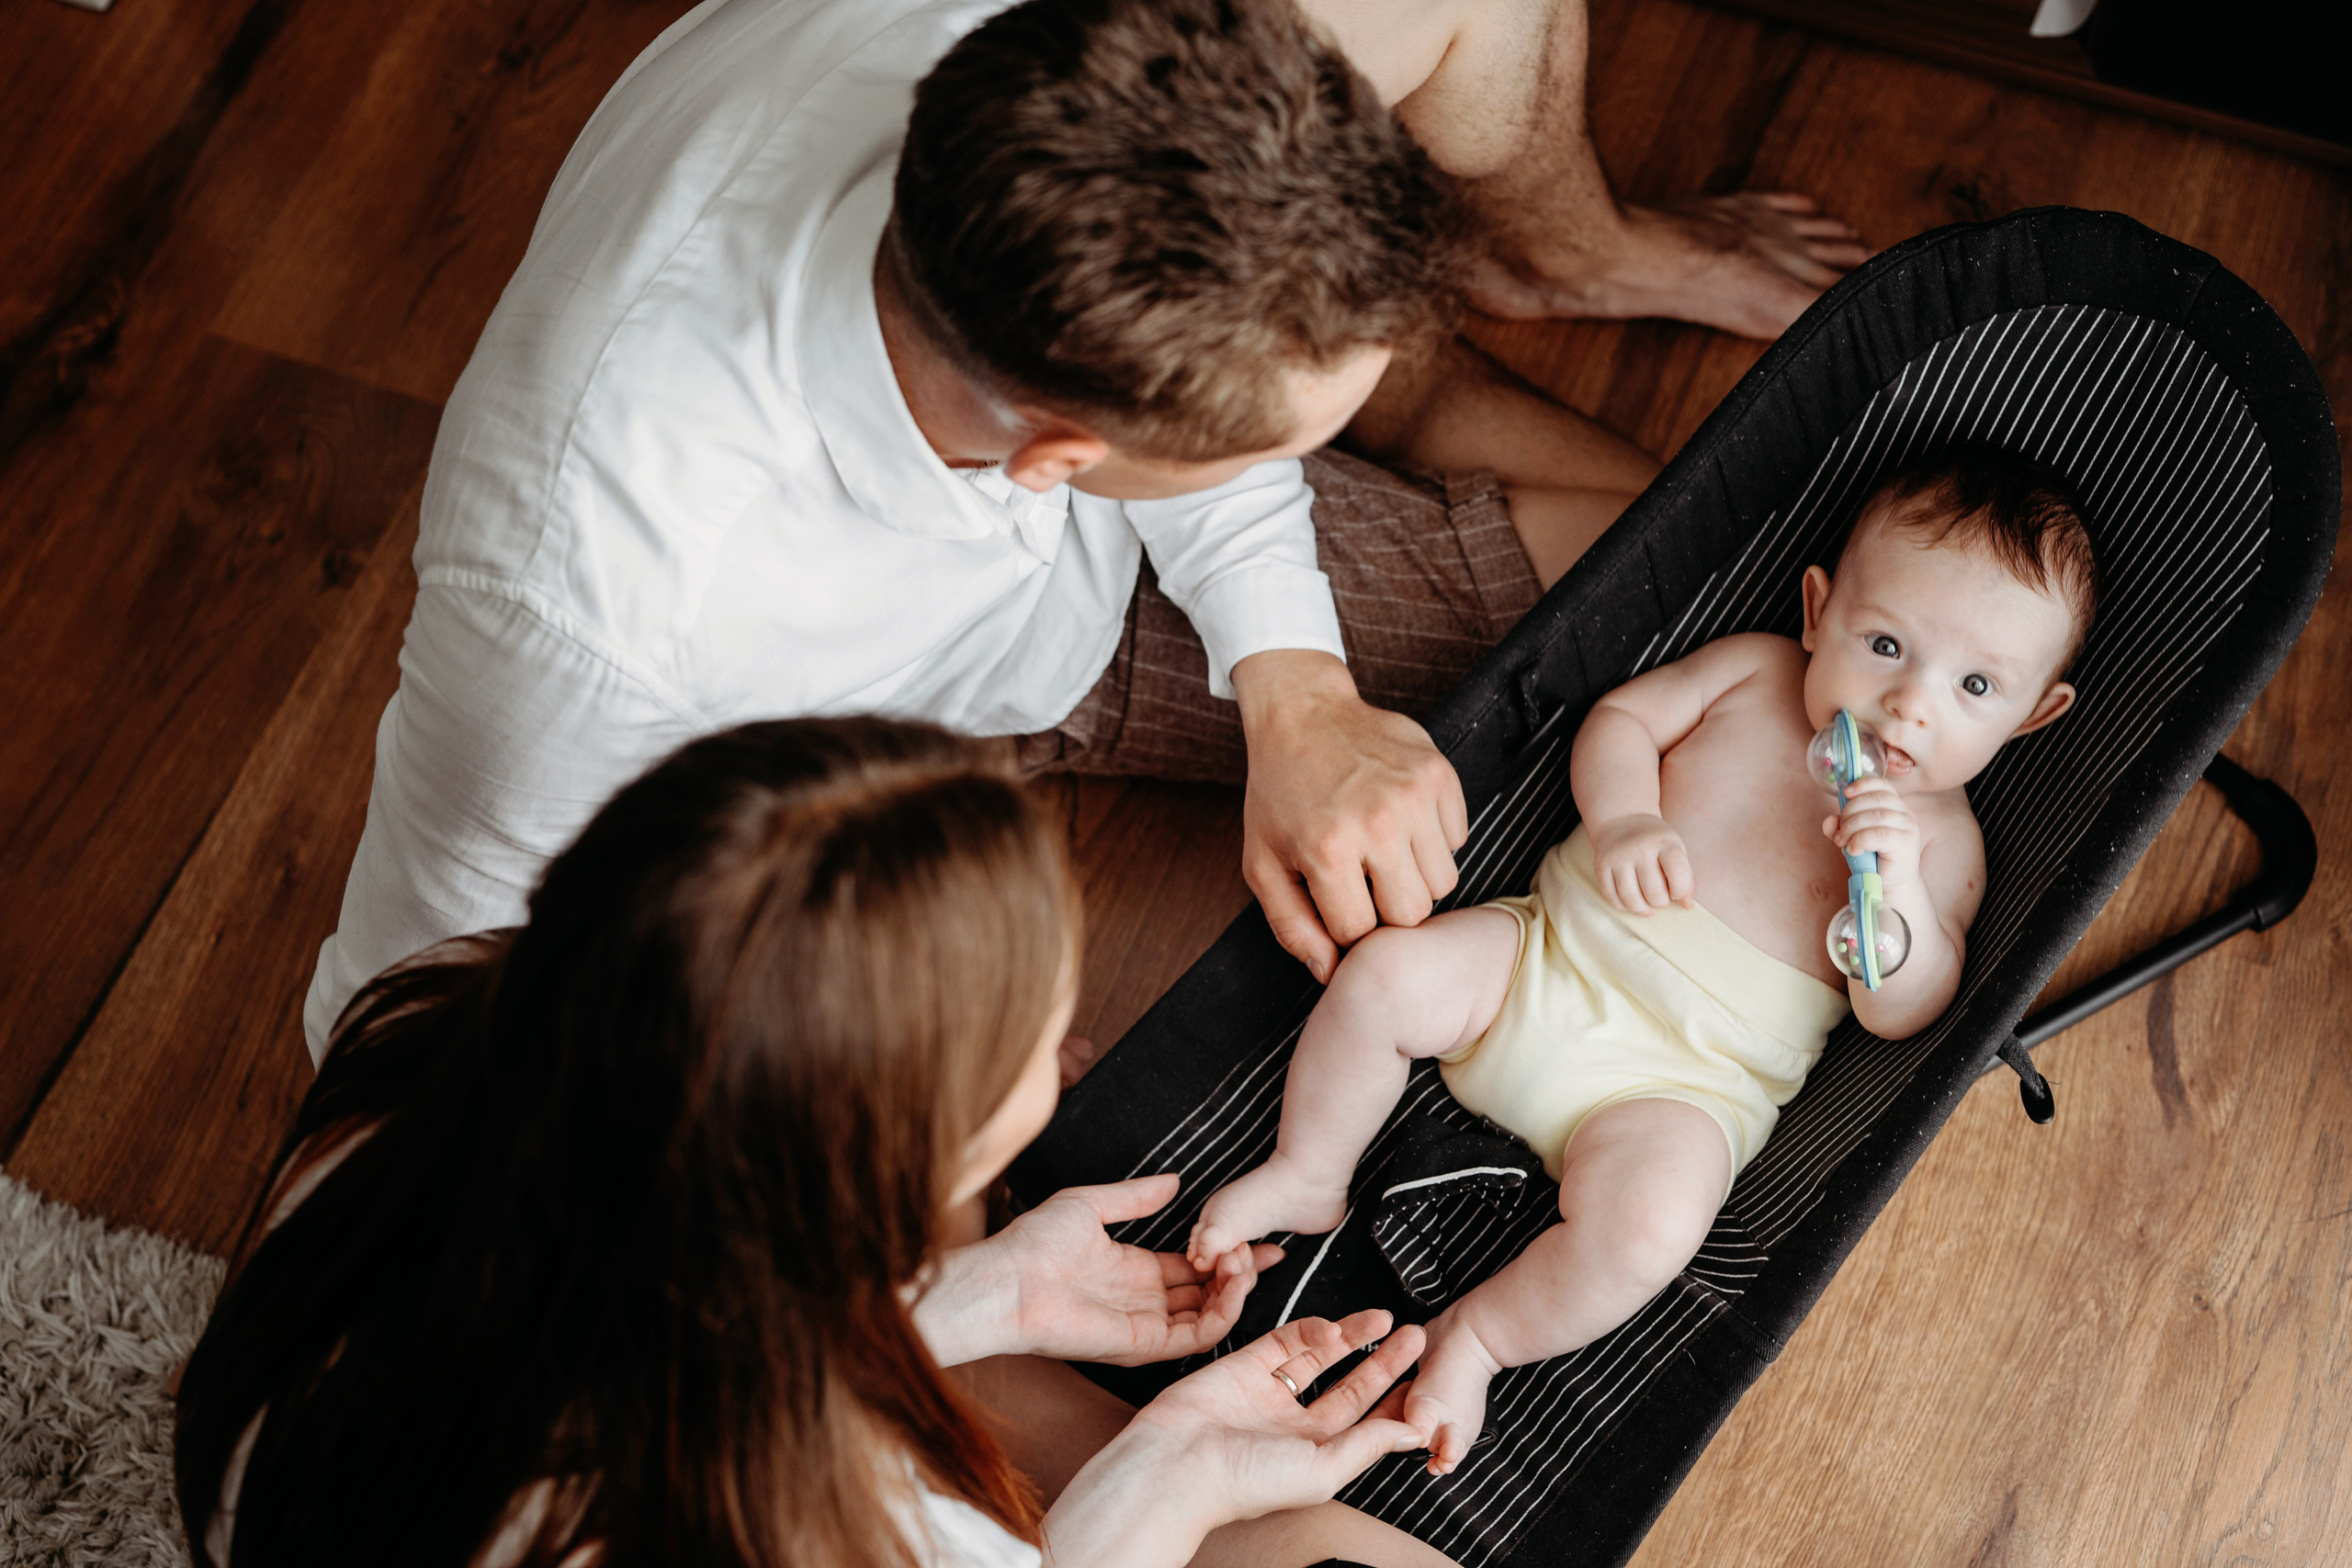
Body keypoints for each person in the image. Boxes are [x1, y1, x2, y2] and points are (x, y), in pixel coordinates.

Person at [300, 0, 1670, 1062]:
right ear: (1060, 457)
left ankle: (1410, 347)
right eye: (1273, 452)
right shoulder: (592, 616)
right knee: (1656, 588)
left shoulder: (1064, 53)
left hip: (1086, 456)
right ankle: (1371, 394)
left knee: (1663, 561)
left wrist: (1298, 686)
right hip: (873, 728)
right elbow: (413, 1010)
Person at [177, 717, 1436, 1567]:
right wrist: (1163, 1476)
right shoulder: (816, 1517)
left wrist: (976, 1290)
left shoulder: (426, 1029)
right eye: (1034, 1059)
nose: (1073, 1055)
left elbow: (657, 1321)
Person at [1186, 443, 2098, 1472]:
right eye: (1884, 643)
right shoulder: (1757, 673)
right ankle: (1310, 1169)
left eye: (1974, 685)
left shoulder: (1947, 844)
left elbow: (1905, 1009)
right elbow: (1622, 720)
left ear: (2032, 715)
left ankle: (1479, 1340)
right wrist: (1622, 821)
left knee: (1655, 1230)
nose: (1910, 704)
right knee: (1386, 974)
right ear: (1817, 612)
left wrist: (1888, 905)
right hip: (1544, 960)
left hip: (1680, 1088)